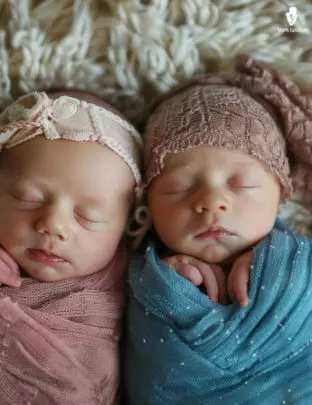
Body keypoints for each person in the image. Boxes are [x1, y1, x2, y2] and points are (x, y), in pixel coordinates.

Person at [124, 55, 312, 404]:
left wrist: (281, 267)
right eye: (178, 187)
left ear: (280, 194)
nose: (211, 202)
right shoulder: (140, 277)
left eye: (240, 184)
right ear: (147, 203)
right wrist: (165, 287)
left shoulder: (301, 262)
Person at [0, 90, 143, 404]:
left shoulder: (137, 281)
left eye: (88, 216)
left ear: (125, 226)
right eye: (29, 199)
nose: (54, 225)